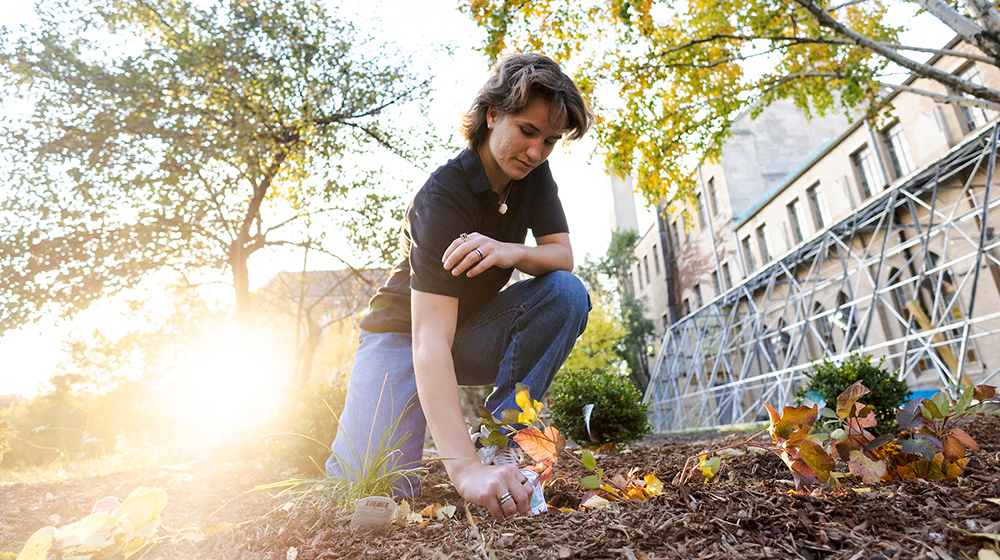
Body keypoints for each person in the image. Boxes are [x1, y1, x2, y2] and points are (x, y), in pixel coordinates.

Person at [325, 53, 594, 519]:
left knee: (566, 293)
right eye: (528, 132)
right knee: (367, 491)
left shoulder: (531, 176)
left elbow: (562, 256)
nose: (536, 152)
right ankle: (421, 455)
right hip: (402, 337)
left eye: (550, 141)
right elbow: (429, 340)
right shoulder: (441, 199)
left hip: (470, 334)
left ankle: (501, 440)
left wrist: (512, 251)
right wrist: (462, 471)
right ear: (493, 114)